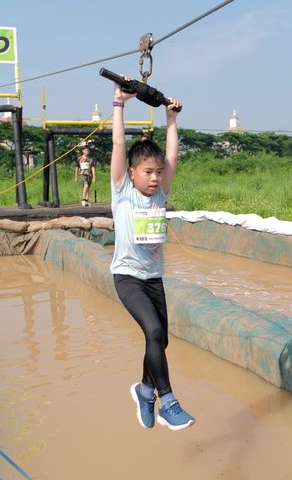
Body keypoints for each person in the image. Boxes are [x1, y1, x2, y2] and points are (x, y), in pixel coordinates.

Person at [109, 79, 194, 431]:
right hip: (128, 278)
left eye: (158, 173)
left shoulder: (160, 194)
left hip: (153, 278)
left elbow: (171, 156)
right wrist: (119, 104)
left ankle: (145, 390)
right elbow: (118, 143)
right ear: (132, 174)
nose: (155, 178)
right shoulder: (123, 191)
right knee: (155, 330)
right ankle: (168, 402)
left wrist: (171, 120)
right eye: (148, 172)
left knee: (161, 339)